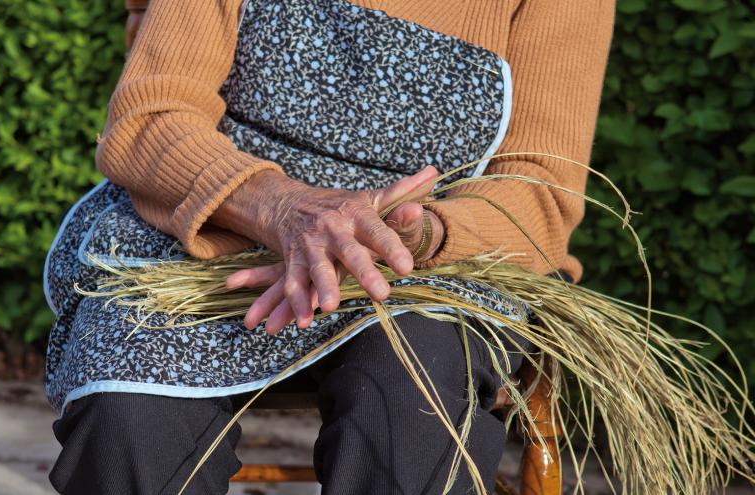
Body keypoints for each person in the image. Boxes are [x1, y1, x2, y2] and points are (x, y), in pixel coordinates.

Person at [43, 0, 615, 493]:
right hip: (220, 228)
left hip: (421, 265)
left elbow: (541, 193)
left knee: (408, 405)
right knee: (129, 416)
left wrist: (408, 233)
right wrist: (281, 209)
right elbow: (149, 120)